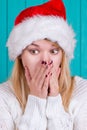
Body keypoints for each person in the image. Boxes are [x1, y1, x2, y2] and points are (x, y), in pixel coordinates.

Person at [0, 0, 87, 129]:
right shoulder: (3, 96)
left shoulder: (82, 91)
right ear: (20, 56)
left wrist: (54, 99)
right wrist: (36, 100)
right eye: (34, 51)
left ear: (62, 56)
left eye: (54, 51)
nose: (45, 60)